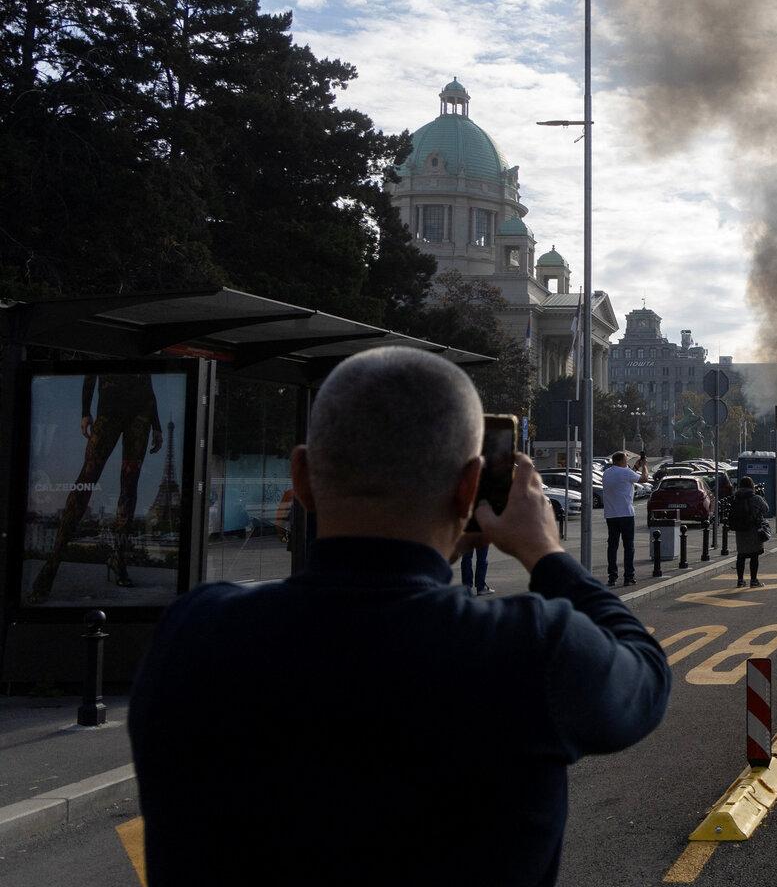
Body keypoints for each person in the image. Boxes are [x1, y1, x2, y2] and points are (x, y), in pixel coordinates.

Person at [129, 347, 669, 887]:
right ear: (468, 489)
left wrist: (442, 538)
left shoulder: (194, 634)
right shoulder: (528, 648)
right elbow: (644, 677)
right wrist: (546, 553)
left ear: (303, 477)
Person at [29, 373, 164, 601]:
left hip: (138, 411)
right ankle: (53, 564)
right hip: (115, 409)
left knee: (126, 487)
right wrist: (85, 410)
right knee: (89, 481)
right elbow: (95, 370)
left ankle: (115, 559)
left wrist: (157, 424)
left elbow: (146, 381)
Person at [602, 450, 650, 587]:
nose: (627, 462)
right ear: (621, 461)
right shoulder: (625, 472)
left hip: (611, 515)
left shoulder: (607, 472)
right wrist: (644, 466)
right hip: (626, 514)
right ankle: (628, 577)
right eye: (626, 460)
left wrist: (636, 467)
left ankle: (612, 577)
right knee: (628, 546)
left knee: (612, 546)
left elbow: (626, 476)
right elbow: (644, 479)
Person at [730, 476, 769, 587]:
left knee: (741, 555)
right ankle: (753, 580)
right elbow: (766, 509)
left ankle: (740, 580)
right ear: (751, 485)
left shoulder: (736, 497)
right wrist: (761, 496)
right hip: (753, 530)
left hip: (740, 531)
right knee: (754, 556)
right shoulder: (756, 498)